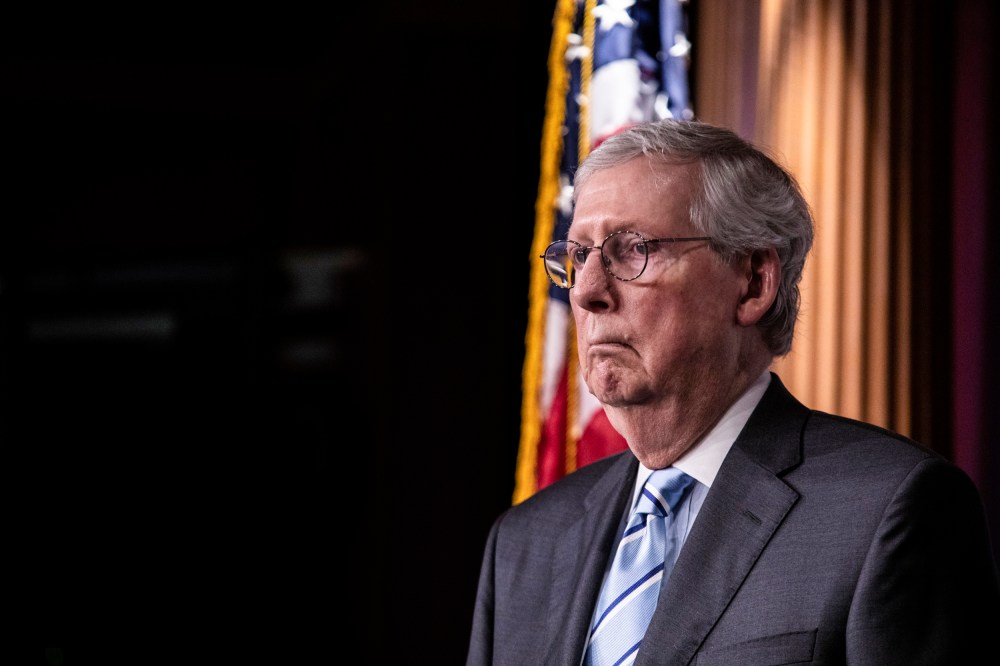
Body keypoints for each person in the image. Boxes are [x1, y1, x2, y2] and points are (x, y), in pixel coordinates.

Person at [466, 119, 1000, 665]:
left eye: (632, 250)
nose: (587, 292)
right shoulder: (524, 545)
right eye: (578, 257)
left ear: (752, 282)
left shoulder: (886, 511)